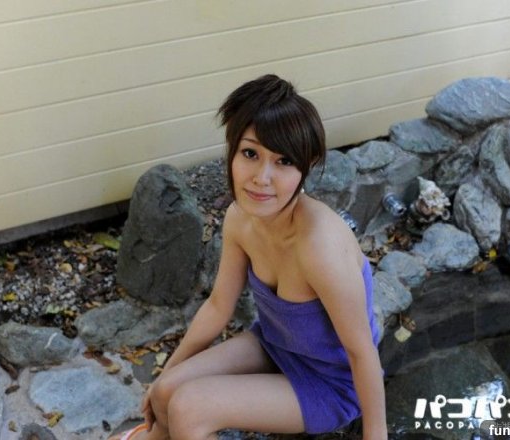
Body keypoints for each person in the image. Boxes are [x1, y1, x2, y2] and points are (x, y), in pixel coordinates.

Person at [112, 74, 387, 440]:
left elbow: (361, 352)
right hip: (275, 346)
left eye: (283, 161)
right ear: (232, 149)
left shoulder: (320, 247)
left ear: (306, 165)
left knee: (189, 408)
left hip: (330, 384)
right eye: (250, 154)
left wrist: (375, 434)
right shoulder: (240, 220)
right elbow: (217, 306)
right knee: (166, 393)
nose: (261, 177)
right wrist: (166, 375)